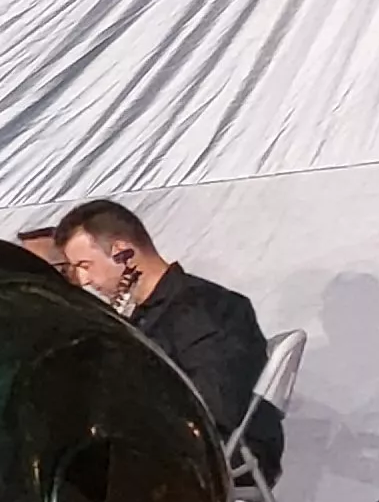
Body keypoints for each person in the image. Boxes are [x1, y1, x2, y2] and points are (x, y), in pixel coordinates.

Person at [58, 200, 283, 480]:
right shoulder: (139, 318)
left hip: (222, 454)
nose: (84, 280)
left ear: (120, 252)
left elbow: (213, 406)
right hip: (165, 450)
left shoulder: (206, 309)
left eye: (85, 265)